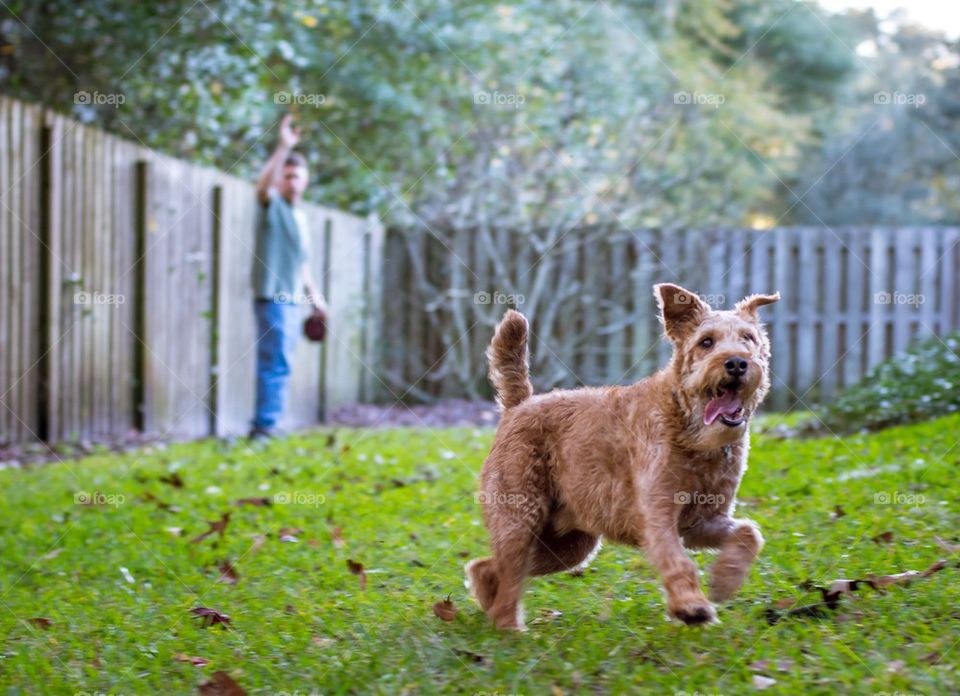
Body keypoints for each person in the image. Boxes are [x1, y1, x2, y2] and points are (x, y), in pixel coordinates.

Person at [249, 114, 327, 440]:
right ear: (280, 179)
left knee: (282, 363)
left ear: (306, 180)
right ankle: (265, 428)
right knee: (276, 362)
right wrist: (283, 146)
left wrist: (316, 298)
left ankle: (270, 424)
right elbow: (262, 187)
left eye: (297, 175)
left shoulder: (300, 216)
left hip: (294, 298)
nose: (292, 181)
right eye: (287, 175)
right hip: (272, 295)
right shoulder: (273, 205)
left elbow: (302, 263)